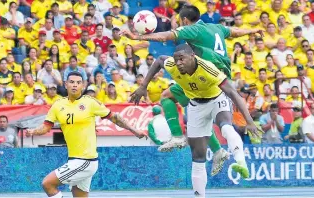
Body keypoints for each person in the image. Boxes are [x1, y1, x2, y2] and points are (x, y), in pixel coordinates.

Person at [124, 5, 263, 176]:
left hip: (207, 76)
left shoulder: (192, 30)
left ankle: (177, 137)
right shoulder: (216, 27)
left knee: (168, 97)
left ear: (184, 21)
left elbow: (167, 36)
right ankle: (219, 151)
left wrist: (138, 36)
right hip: (222, 78)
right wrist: (252, 30)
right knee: (198, 116)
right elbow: (234, 31)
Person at [130, 44, 261, 197]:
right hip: (195, 106)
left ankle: (240, 163)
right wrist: (143, 86)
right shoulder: (172, 65)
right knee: (198, 157)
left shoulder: (207, 69)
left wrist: (249, 121)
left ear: (192, 56)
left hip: (216, 99)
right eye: (176, 59)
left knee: (225, 127)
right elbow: (159, 60)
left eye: (182, 59)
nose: (178, 63)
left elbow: (233, 93)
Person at [26, 71, 147, 198]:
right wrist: (33, 131)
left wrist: (134, 130)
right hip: (74, 159)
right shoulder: (57, 105)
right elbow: (46, 127)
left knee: (47, 184)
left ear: (83, 85)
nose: (75, 85)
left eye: (78, 83)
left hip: (85, 161)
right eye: (72, 82)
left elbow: (114, 117)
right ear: (66, 84)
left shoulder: (90, 102)